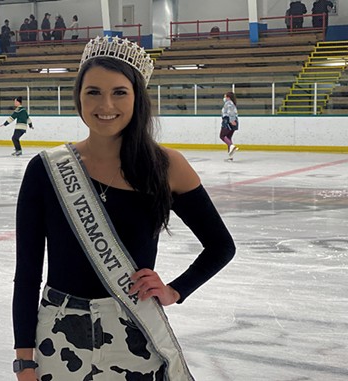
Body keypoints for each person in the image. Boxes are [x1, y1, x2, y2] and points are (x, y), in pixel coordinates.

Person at [12, 36, 235, 380]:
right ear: (79, 97)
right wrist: (24, 360)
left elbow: (221, 246)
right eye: (93, 92)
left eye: (119, 92)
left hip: (134, 333)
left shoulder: (166, 166)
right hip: (57, 337)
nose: (106, 104)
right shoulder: (46, 169)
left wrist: (176, 290)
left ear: (136, 98)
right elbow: (27, 274)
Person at [221, 91, 239, 160]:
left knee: (222, 136)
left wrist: (231, 120)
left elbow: (230, 112)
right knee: (228, 137)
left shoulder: (228, 103)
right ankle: (230, 156)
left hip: (228, 121)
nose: (224, 98)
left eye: (225, 96)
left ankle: (231, 146)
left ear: (228, 97)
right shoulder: (232, 103)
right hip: (233, 121)